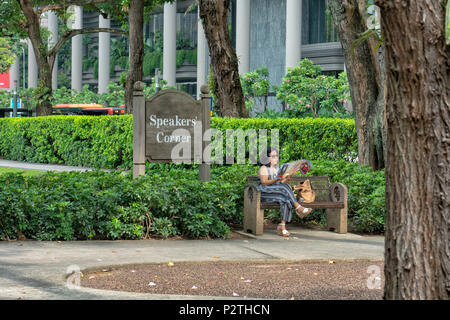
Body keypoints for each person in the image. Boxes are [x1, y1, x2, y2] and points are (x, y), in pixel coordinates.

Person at [257, 147, 312, 237]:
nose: (276, 158)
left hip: (275, 192)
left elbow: (280, 183)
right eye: (273, 156)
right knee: (285, 188)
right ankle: (299, 208)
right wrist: (277, 179)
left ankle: (282, 226)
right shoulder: (264, 168)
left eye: (276, 156)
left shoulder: (275, 169)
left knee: (285, 198)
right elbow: (264, 183)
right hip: (264, 193)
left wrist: (287, 177)